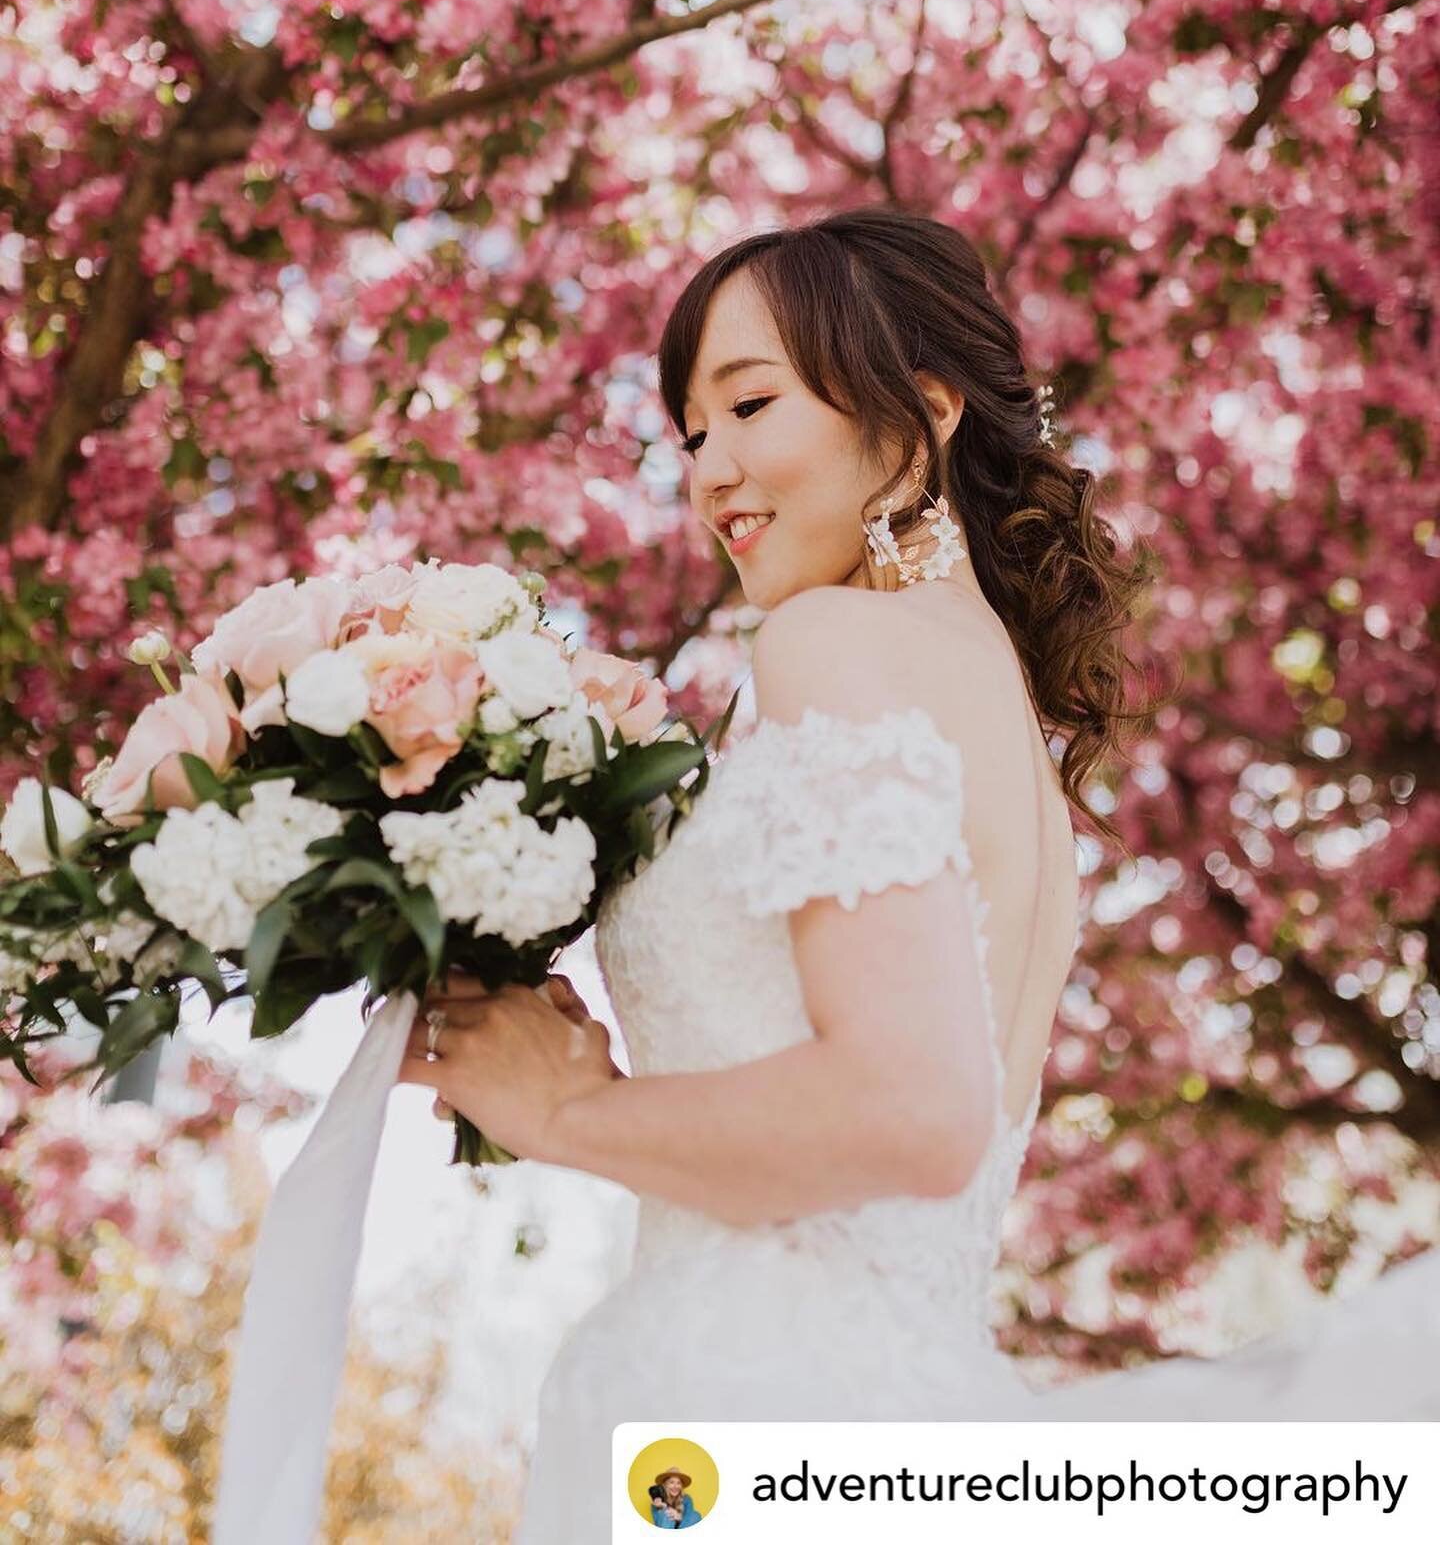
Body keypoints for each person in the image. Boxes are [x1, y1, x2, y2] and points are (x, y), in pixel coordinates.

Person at [397, 207, 1440, 1543]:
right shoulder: (1003, 719)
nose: (711, 467)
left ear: (926, 410)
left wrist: (567, 1116)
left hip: (756, 1420)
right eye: (691, 434)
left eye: (750, 403)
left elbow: (913, 1111)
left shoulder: (833, 643)